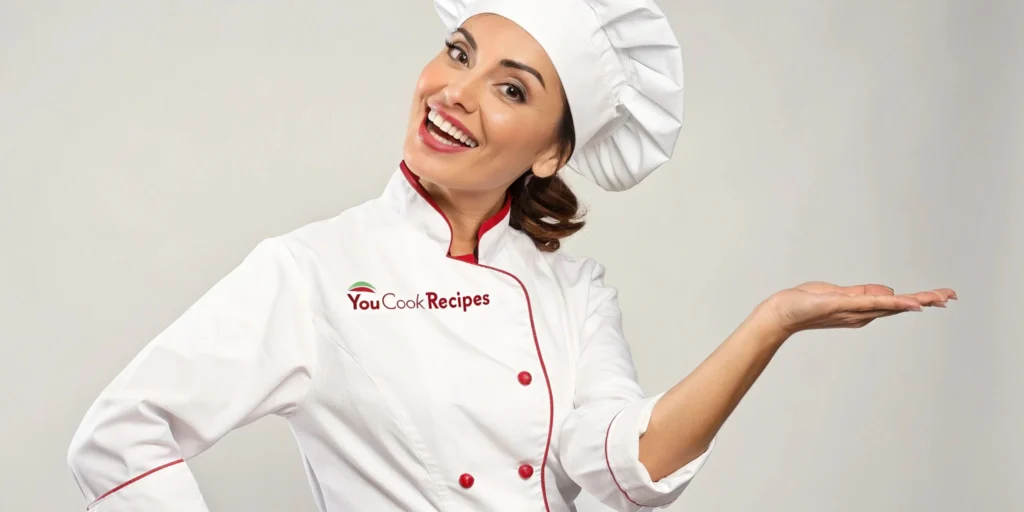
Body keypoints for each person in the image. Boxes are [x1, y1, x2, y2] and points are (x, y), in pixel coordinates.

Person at [66, 0, 956, 510]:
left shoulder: (573, 291)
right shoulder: (314, 271)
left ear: (549, 152)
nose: (454, 93)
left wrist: (774, 322)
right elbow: (120, 435)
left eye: (509, 88)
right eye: (459, 53)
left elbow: (620, 469)